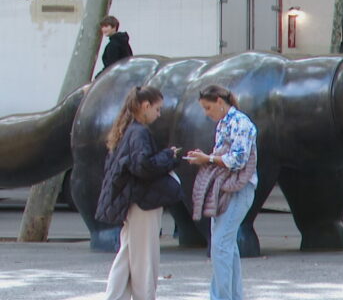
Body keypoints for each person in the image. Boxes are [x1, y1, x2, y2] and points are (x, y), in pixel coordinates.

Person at [95, 86, 184, 300]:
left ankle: (115, 297)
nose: (158, 114)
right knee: (144, 258)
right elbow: (143, 166)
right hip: (143, 201)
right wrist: (169, 156)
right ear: (145, 106)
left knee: (128, 255)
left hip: (132, 200)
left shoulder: (126, 130)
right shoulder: (139, 132)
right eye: (157, 109)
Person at [187, 85, 258, 300]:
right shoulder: (224, 123)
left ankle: (221, 297)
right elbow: (224, 157)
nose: (206, 113)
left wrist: (207, 158)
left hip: (238, 188)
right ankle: (232, 296)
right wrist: (206, 158)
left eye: (208, 107)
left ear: (219, 101)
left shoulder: (241, 122)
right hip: (226, 188)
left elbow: (238, 160)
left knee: (220, 245)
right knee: (227, 245)